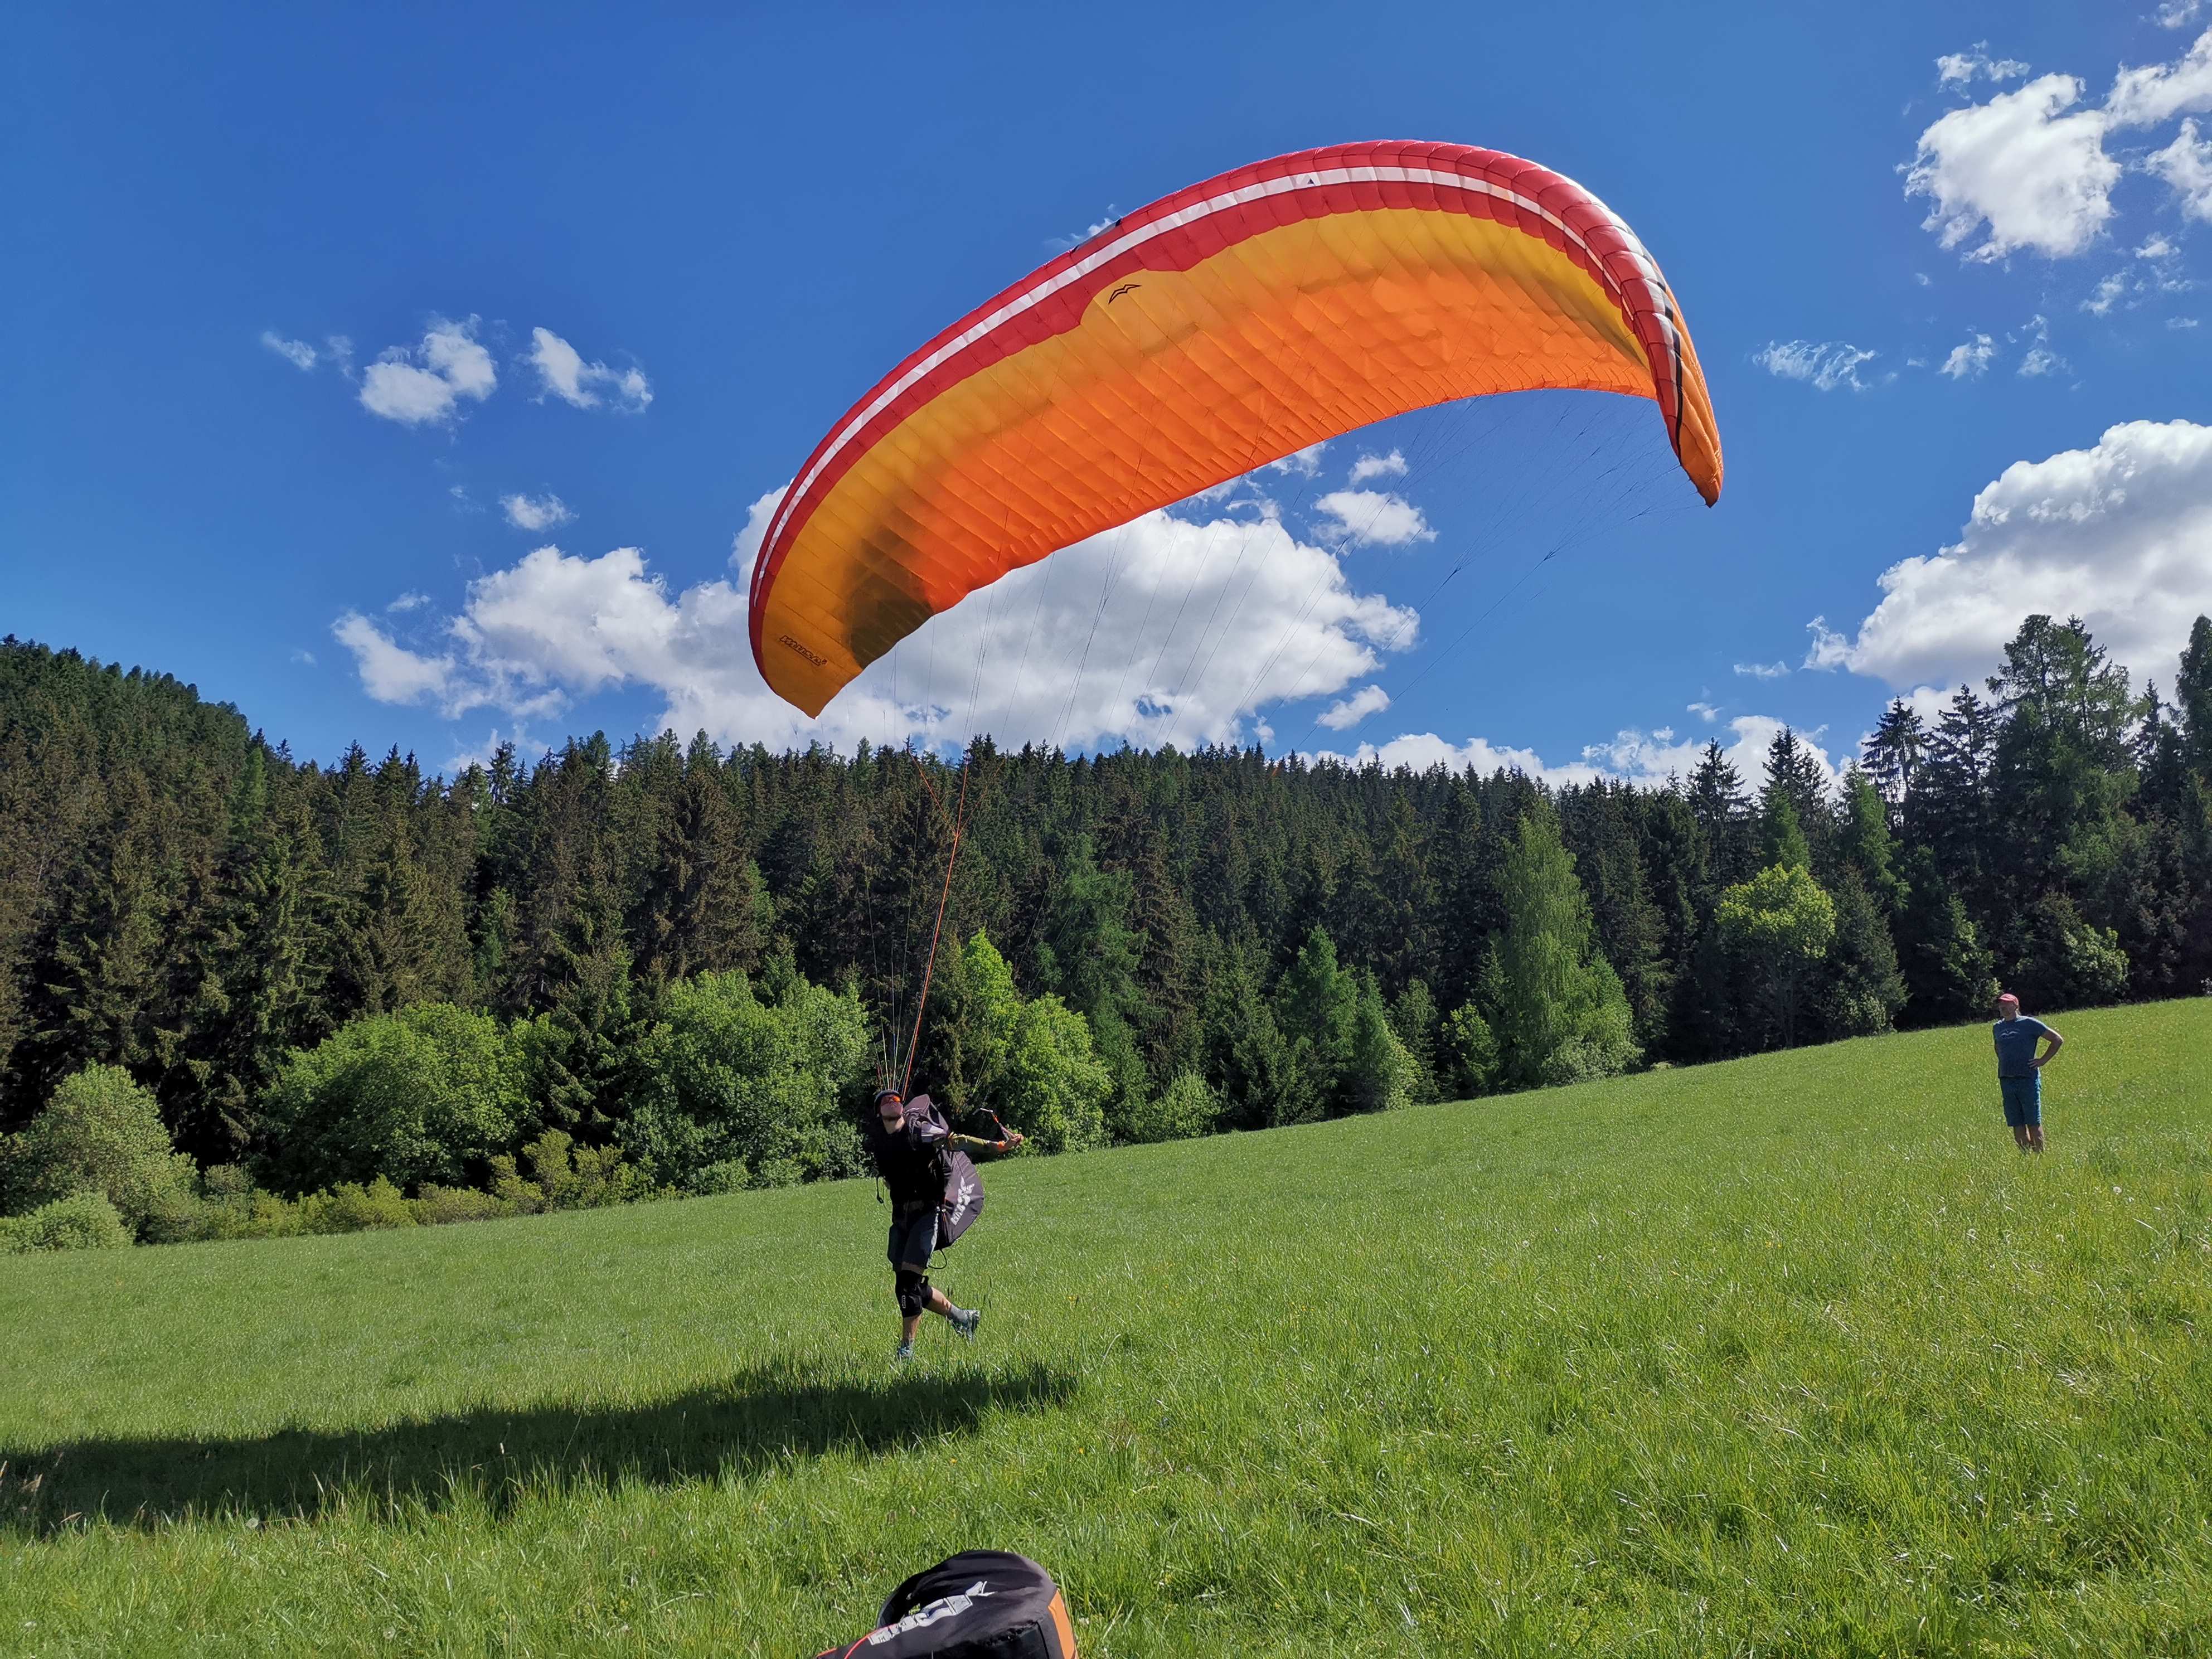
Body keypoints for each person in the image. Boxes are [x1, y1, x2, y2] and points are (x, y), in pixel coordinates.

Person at [865, 1086, 1023, 1362]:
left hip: (927, 1215)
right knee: (907, 1287)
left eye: (896, 1098)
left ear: (901, 1107)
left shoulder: (920, 1132)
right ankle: (963, 1317)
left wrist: (998, 1146)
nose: (892, 1100)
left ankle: (906, 1352)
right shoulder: (879, 1140)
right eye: (885, 1100)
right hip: (901, 1217)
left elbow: (958, 1141)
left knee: (907, 1284)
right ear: (879, 1112)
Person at [1992, 991, 2063, 1153]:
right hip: (2007, 1080)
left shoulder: (2029, 1024)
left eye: (2006, 1003)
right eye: (2000, 1004)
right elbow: (1998, 1047)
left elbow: (2057, 1040)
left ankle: (2039, 1157)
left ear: (2015, 1005)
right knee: (2016, 1122)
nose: (2002, 1007)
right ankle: (2025, 1158)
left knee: (2033, 1121)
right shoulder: (1997, 1027)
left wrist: (2043, 1060)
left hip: (2028, 1079)